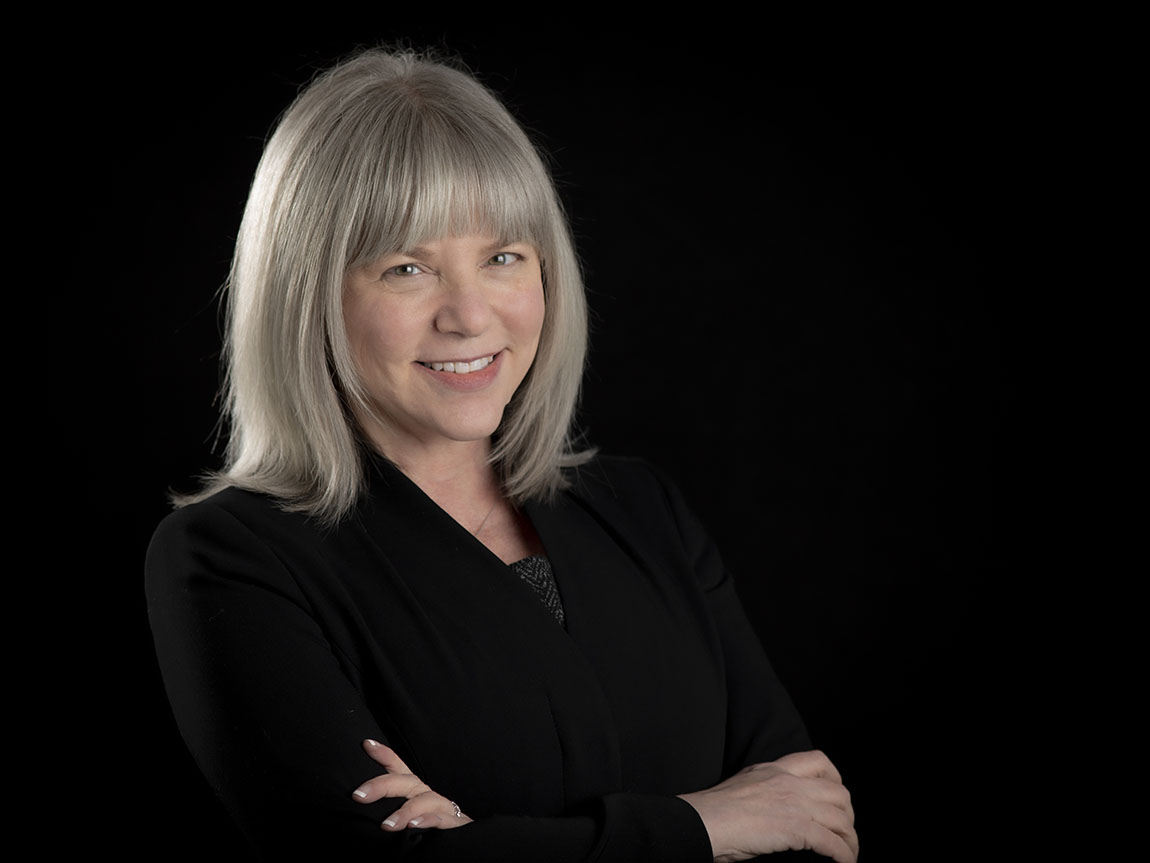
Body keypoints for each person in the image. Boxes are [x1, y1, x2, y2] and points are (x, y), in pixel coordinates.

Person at [146, 48, 857, 862]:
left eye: (503, 257)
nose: (470, 316)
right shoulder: (233, 558)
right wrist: (709, 824)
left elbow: (811, 821)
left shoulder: (641, 508)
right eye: (407, 268)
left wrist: (494, 841)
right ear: (307, 297)